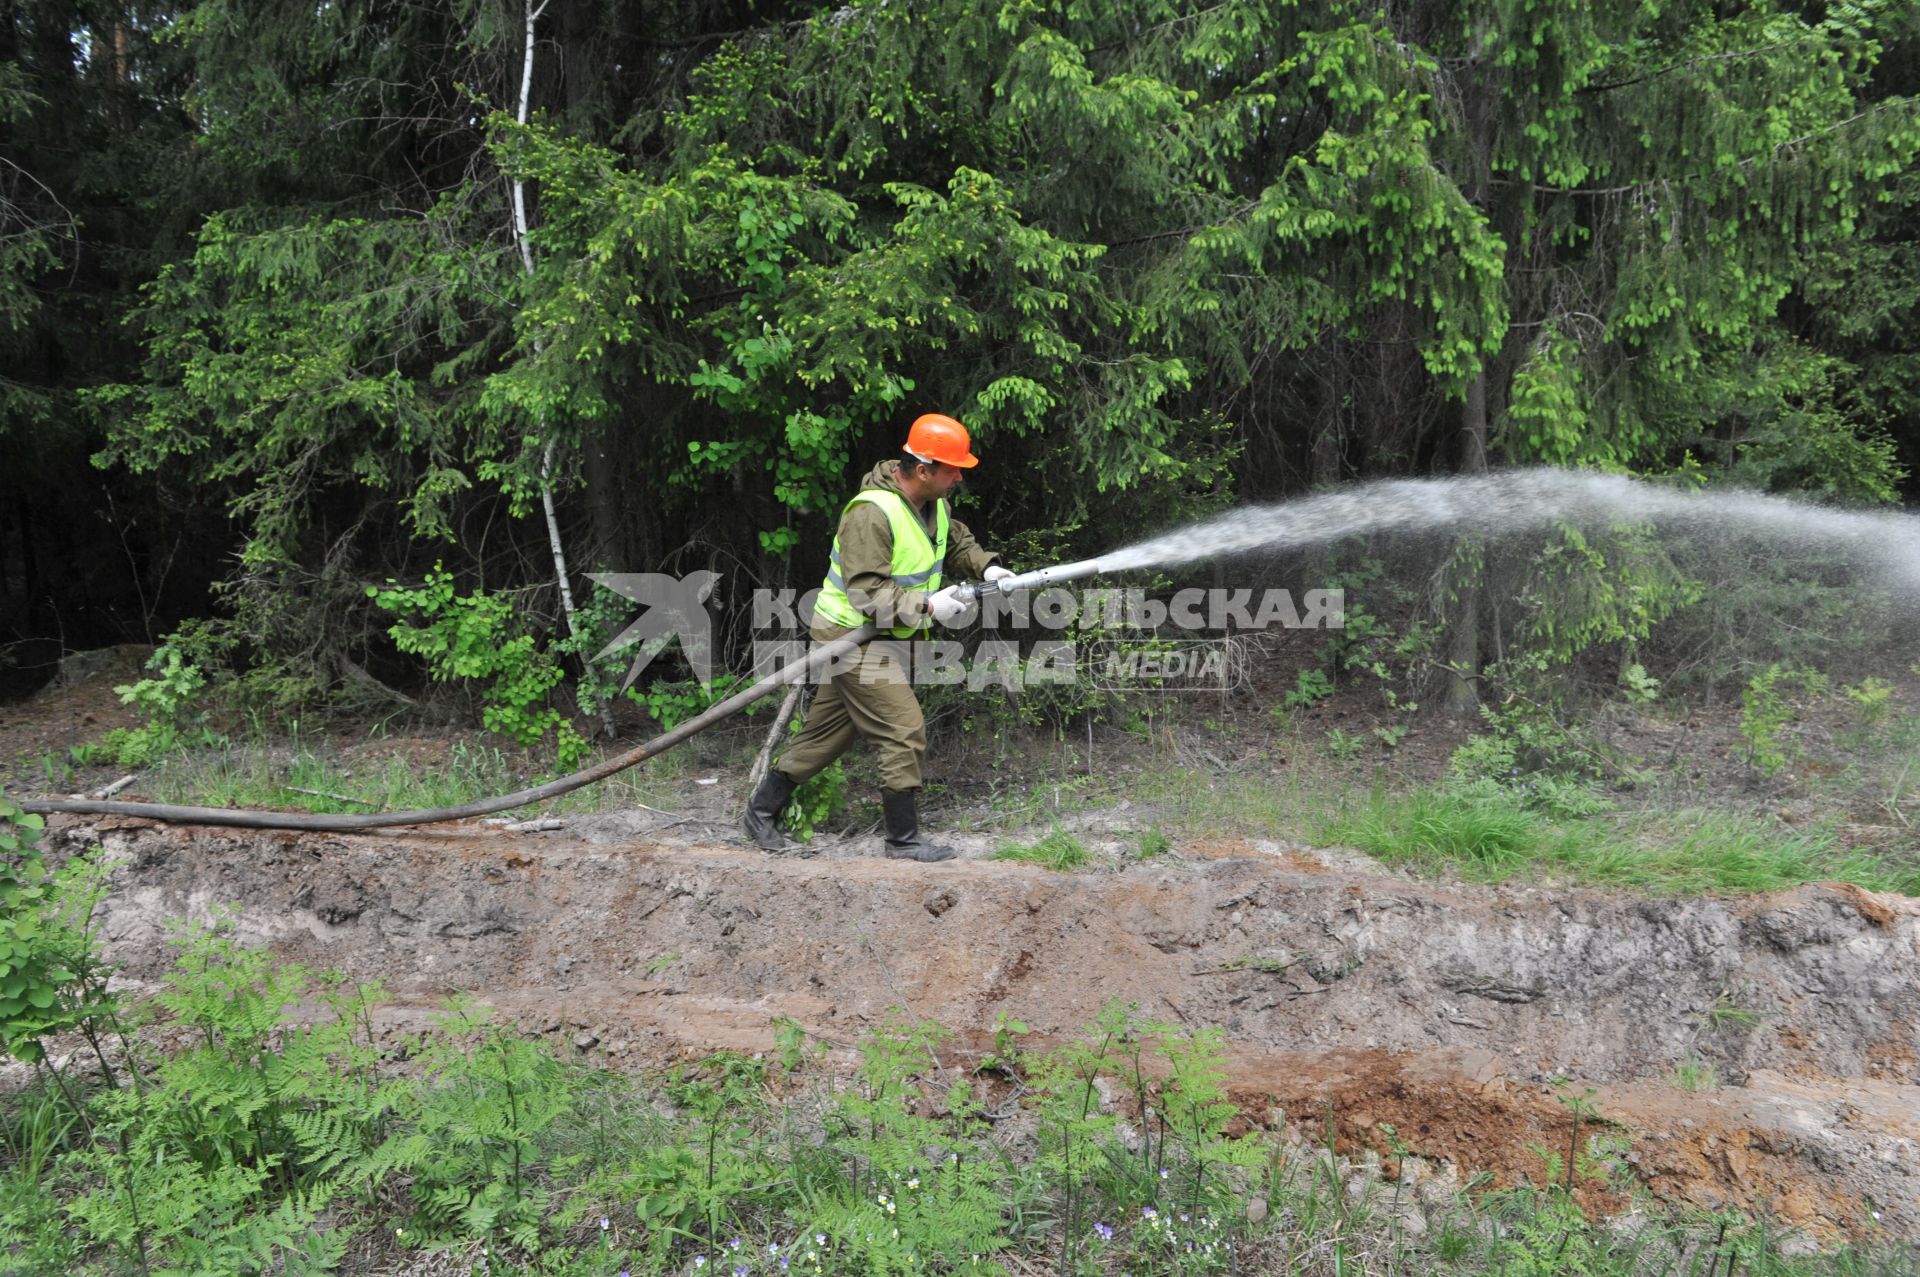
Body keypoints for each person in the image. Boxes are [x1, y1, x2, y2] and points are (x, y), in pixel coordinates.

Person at [743, 413, 1014, 862]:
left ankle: (760, 811)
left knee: (828, 734)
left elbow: (958, 542)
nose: (959, 476)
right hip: (849, 635)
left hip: (885, 633)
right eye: (952, 468)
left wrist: (986, 566)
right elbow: (867, 592)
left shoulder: (935, 506)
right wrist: (929, 606)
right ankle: (903, 842)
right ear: (923, 469)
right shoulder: (871, 513)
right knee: (903, 729)